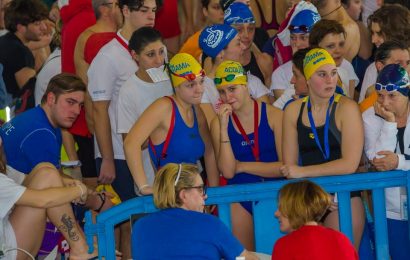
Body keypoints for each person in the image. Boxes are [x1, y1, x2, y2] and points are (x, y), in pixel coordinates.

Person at [280, 48, 366, 251]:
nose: (330, 80)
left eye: (333, 73)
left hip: (343, 195)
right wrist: (315, 194)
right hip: (309, 200)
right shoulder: (293, 110)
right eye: (322, 74)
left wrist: (303, 172)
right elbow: (289, 167)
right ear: (308, 78)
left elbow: (349, 164)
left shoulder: (347, 108)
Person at [210, 60, 283, 250]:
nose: (227, 97)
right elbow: (227, 171)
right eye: (222, 92)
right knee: (244, 257)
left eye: (232, 89)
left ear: (246, 85)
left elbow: (284, 167)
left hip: (275, 193)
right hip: (240, 196)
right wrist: (224, 130)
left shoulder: (275, 116)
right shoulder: (218, 123)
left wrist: (241, 166)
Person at [124, 53, 219, 195]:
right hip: (170, 196)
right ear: (176, 87)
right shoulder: (163, 107)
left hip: (194, 194)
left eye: (201, 82)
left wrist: (213, 192)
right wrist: (143, 186)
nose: (199, 89)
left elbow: (209, 151)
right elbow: (130, 143)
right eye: (191, 85)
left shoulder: (196, 111)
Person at [131, 163, 258, 260]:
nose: (205, 196)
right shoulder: (209, 223)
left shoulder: (139, 226)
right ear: (183, 195)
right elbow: (244, 258)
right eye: (200, 189)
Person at [0, 157, 97, 260]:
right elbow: (43, 200)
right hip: (7, 254)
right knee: (48, 175)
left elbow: (27, 178)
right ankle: (80, 249)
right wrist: (80, 190)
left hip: (8, 241)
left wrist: (66, 182)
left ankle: (80, 247)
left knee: (44, 169)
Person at [362, 64, 410, 260]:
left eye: (392, 96)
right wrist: (389, 123)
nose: (385, 102)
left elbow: (391, 162)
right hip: (390, 209)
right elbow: (380, 162)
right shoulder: (370, 117)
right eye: (380, 95)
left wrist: (399, 162)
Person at [117, 27, 173, 189]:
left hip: (185, 171)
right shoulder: (128, 91)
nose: (159, 60)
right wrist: (164, 130)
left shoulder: (173, 78)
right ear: (135, 56)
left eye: (161, 52)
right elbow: (130, 142)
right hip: (151, 180)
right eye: (150, 54)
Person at [198, 23, 269, 126]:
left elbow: (267, 120)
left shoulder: (253, 81)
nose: (244, 47)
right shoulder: (202, 89)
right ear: (220, 54)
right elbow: (214, 131)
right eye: (238, 43)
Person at [272, 180, 358, 259]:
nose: (276, 214)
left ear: (295, 207)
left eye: (281, 207)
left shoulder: (284, 245)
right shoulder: (342, 240)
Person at [0, 0, 48, 114]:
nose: (44, 27)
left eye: (43, 22)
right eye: (37, 24)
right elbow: (31, 94)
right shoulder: (20, 52)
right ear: (21, 28)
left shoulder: (4, 42)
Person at [359, 4, 410, 102]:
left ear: (397, 33)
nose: (373, 40)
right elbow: (362, 111)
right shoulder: (373, 70)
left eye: (379, 34)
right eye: (372, 33)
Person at [270, 8, 320, 103]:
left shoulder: (340, 67)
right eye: (293, 38)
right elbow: (282, 110)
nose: (297, 43)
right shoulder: (280, 74)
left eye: (303, 37)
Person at [224, 2, 272, 87]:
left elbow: (271, 99)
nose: (246, 35)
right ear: (227, 31)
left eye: (250, 29)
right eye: (239, 30)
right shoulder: (215, 62)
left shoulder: (264, 62)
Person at [309, 19, 359, 98]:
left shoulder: (344, 72)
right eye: (331, 46)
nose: (338, 51)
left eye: (341, 44)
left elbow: (349, 104)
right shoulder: (307, 76)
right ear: (316, 49)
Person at [359, 41, 410, 112]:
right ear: (380, 66)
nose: (406, 69)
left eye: (408, 63)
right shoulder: (368, 108)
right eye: (399, 64)